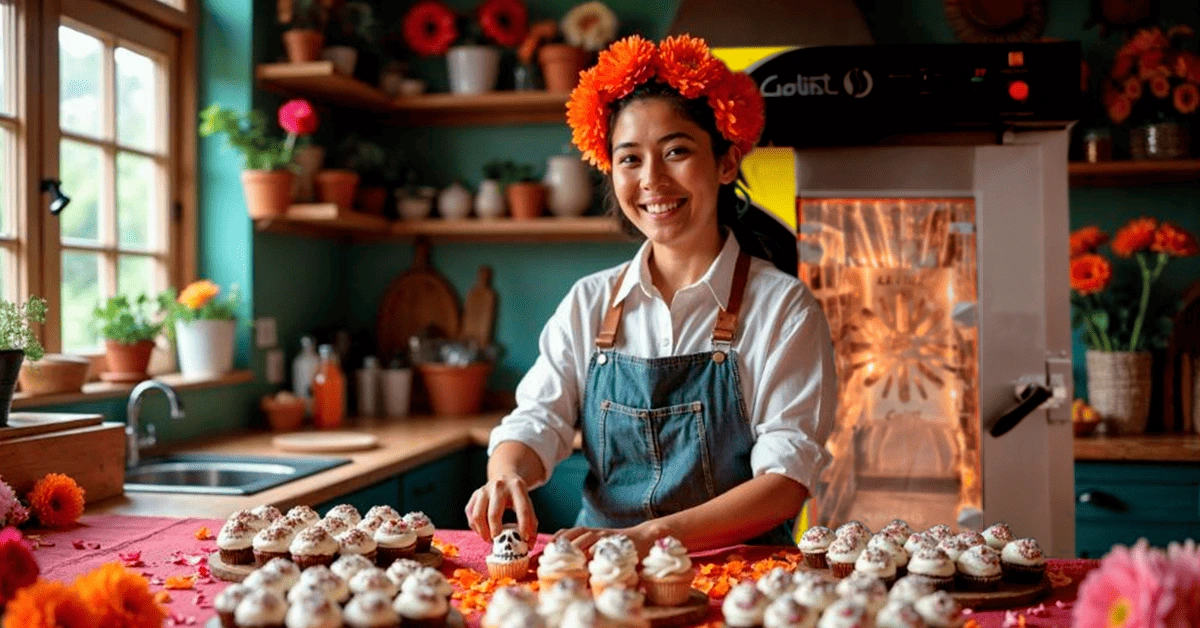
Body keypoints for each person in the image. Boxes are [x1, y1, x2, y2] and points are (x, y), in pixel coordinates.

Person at [466, 34, 837, 556]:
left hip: (739, 575)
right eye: (630, 159)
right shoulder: (588, 301)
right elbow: (537, 420)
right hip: (595, 567)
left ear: (726, 163)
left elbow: (784, 482)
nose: (652, 180)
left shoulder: (782, 307)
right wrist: (507, 473)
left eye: (676, 151)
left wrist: (644, 539)